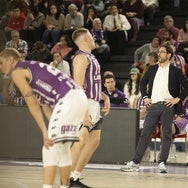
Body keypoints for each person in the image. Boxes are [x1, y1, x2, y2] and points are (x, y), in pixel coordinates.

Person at [0, 48, 88, 188]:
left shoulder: (17, 71)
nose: (0, 67)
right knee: (62, 148)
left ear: (11, 60)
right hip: (78, 97)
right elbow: (46, 105)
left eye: (1, 62)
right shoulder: (33, 68)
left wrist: (44, 131)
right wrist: (50, 128)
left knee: (49, 148)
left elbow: (32, 103)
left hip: (67, 99)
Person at [120, 44, 188, 173]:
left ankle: (162, 162)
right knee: (145, 134)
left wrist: (177, 99)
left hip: (167, 106)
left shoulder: (175, 71)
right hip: (153, 105)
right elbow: (143, 83)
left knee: (166, 134)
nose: (159, 54)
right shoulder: (152, 69)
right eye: (159, 52)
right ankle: (135, 162)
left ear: (169, 55)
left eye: (162, 52)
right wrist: (146, 97)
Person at [70, 28, 110, 188]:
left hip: (94, 103)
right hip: (84, 103)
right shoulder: (80, 57)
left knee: (94, 141)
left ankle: (75, 177)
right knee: (80, 142)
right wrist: (83, 111)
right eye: (91, 36)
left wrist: (104, 97)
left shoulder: (90, 56)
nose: (94, 38)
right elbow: (77, 86)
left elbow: (92, 84)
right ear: (85, 39)